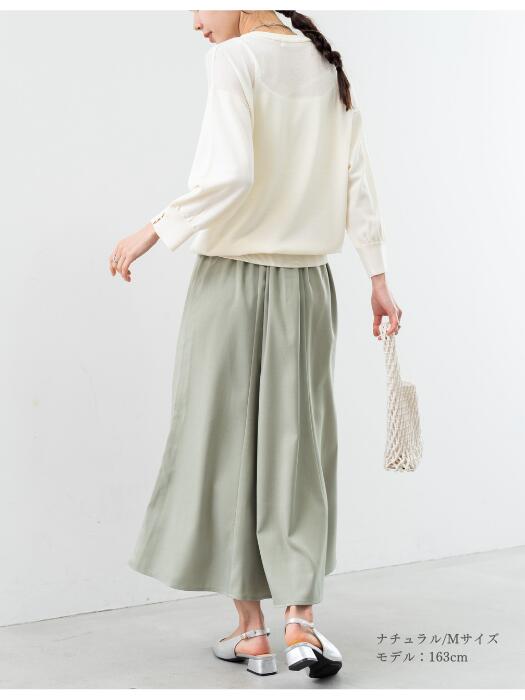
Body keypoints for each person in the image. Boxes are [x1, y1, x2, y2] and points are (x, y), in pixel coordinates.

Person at [110, 10, 402, 679]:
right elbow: (357, 179)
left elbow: (231, 175)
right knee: (296, 449)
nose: (195, 22)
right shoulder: (327, 65)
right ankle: (300, 620)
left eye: (199, 5)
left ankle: (250, 633)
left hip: (232, 282)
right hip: (309, 285)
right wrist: (378, 277)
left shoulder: (233, 60)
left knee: (222, 446)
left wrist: (153, 229)